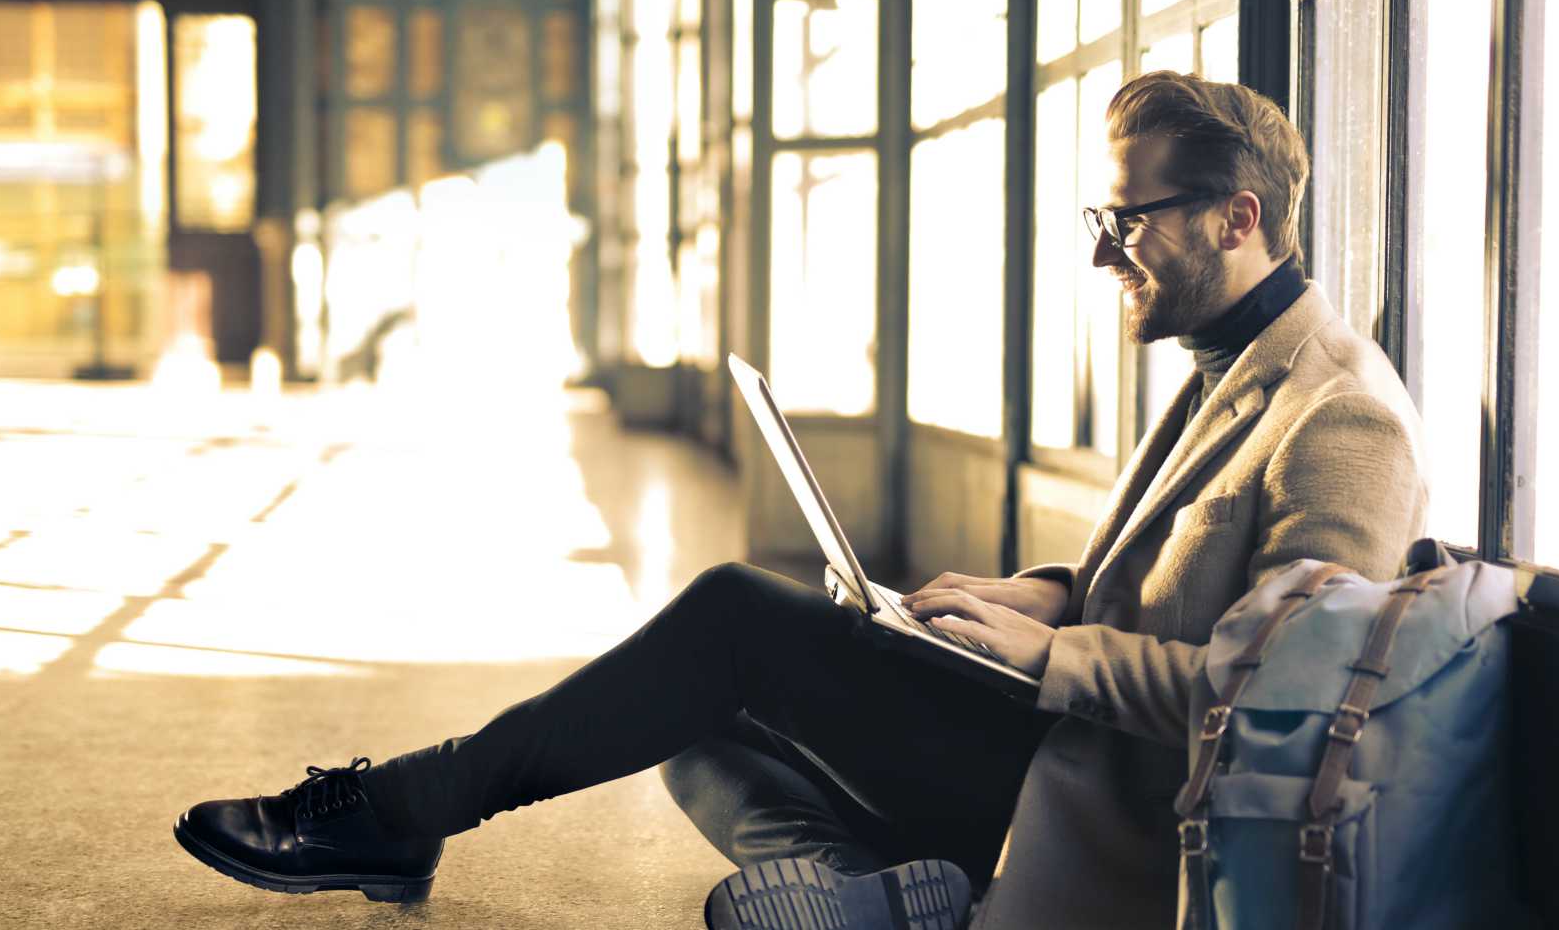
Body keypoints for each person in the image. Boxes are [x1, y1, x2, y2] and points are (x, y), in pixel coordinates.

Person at [172, 71, 1427, 930]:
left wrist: (1050, 654)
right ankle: (880, 895)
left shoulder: (1341, 416)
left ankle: (401, 810)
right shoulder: (1228, 360)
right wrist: (1018, 596)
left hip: (1115, 802)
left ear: (1237, 218)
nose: (1105, 251)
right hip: (1052, 737)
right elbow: (1151, 585)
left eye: (1128, 220)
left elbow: (1284, 708)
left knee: (730, 621)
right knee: (698, 727)